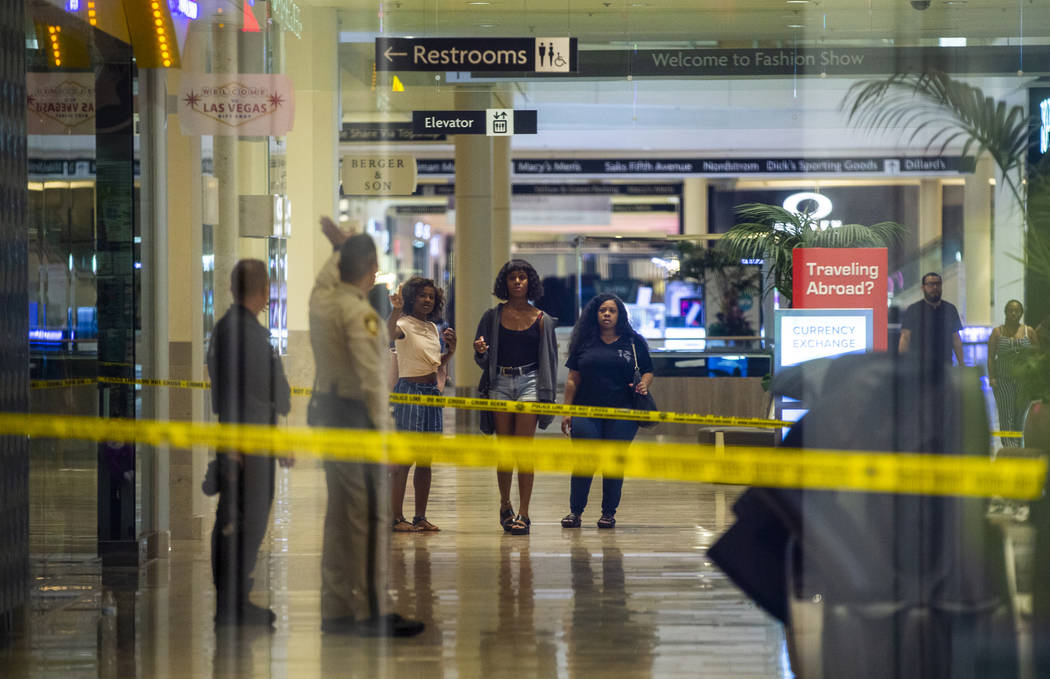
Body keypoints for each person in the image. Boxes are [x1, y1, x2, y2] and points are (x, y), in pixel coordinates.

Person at [308, 217, 425, 638]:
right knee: (369, 520)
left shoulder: (322, 302)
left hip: (327, 415)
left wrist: (339, 248)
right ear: (372, 269)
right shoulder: (360, 315)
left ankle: (337, 607)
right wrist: (385, 439)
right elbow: (372, 383)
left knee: (339, 518)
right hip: (356, 420)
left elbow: (326, 279)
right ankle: (373, 610)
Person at [206, 259, 292, 627]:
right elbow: (235, 393)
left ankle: (237, 597)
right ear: (264, 288)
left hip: (255, 439)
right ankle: (231, 603)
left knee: (247, 520)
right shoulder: (238, 332)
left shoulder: (241, 329)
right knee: (240, 520)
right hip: (247, 444)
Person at [473, 259, 559, 536]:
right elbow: (481, 358)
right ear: (505, 284)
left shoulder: (541, 319)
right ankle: (505, 504)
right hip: (499, 381)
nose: (518, 282)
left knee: (524, 451)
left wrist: (549, 395)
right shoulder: (492, 316)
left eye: (523, 277)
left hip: (530, 383)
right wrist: (481, 351)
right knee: (505, 451)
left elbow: (551, 361)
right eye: (513, 278)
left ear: (530, 282)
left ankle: (524, 512)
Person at [560, 293, 653, 529]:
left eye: (612, 310)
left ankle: (608, 513)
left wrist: (644, 383)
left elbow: (648, 370)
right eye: (603, 310)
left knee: (613, 463)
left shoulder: (633, 341)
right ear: (596, 314)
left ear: (619, 314)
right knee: (584, 461)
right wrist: (567, 411)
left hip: (623, 412)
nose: (607, 314)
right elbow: (573, 379)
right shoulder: (584, 342)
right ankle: (575, 512)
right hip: (586, 409)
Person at [387, 277, 456, 532]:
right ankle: (396, 517)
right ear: (412, 297)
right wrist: (395, 309)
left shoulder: (432, 328)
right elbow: (388, 333)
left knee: (426, 460)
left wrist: (452, 350)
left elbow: (435, 362)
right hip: (410, 392)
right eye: (422, 295)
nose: (427, 300)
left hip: (431, 393)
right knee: (405, 459)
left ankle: (420, 516)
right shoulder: (403, 324)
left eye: (431, 296)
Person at [987, 299, 1038, 447]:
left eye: (1017, 310)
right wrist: (992, 377)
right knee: (1006, 414)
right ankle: (1010, 447)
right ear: (1005, 312)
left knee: (1020, 414)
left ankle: (1019, 445)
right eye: (1011, 310)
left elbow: (1037, 355)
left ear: (1021, 313)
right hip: (1003, 380)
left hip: (1023, 380)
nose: (1014, 313)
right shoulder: (997, 332)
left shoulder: (1030, 331)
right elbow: (991, 356)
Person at [898, 272, 964, 367]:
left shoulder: (950, 309)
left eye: (938, 284)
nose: (935, 287)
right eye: (930, 284)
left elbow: (956, 339)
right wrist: (902, 365)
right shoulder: (913, 310)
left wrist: (961, 364)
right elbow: (905, 338)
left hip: (945, 366)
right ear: (923, 288)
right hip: (920, 368)